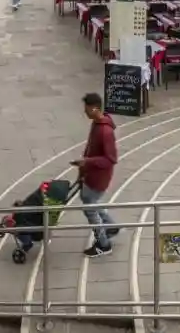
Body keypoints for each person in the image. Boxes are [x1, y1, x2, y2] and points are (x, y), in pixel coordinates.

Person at [71, 93, 119, 257]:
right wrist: (84, 163)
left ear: (94, 108)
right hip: (90, 174)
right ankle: (110, 226)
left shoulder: (105, 131)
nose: (84, 112)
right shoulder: (96, 123)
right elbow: (91, 147)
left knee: (89, 208)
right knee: (90, 203)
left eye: (86, 109)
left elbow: (111, 159)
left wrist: (88, 162)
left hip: (98, 178)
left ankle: (103, 244)